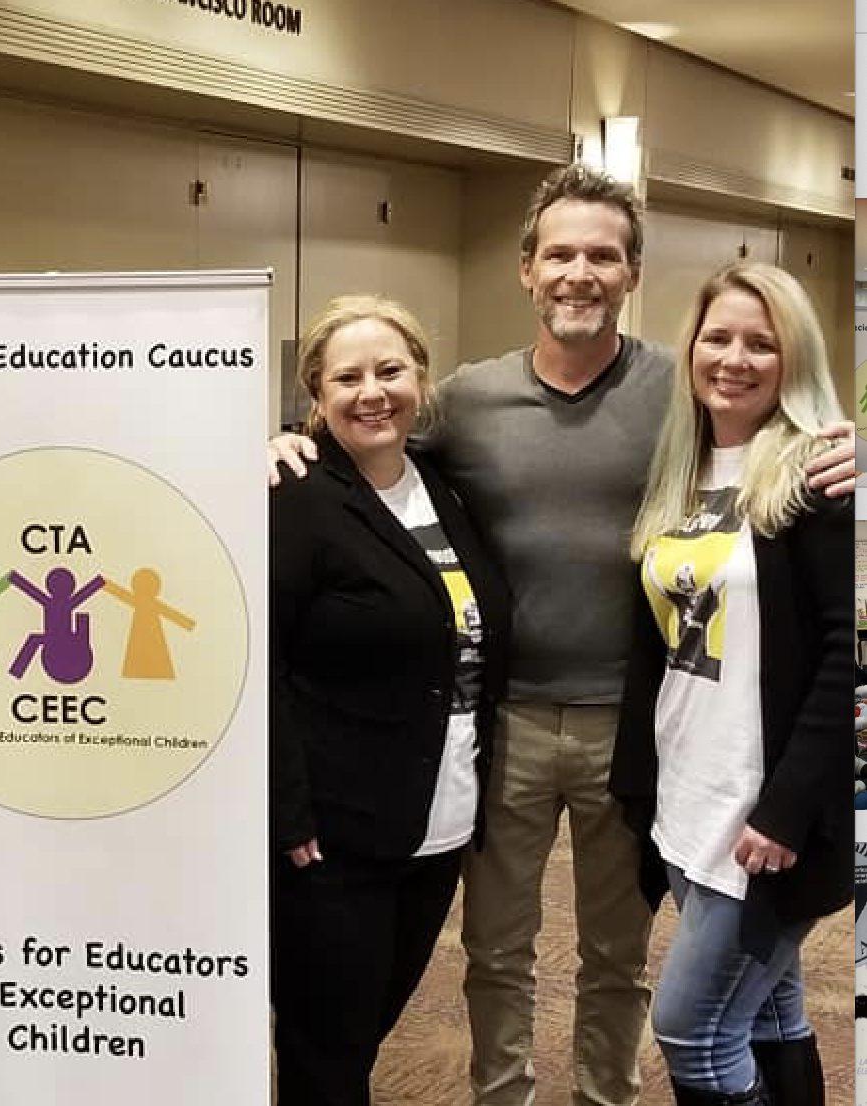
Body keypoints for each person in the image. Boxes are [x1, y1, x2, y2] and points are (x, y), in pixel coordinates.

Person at [268, 163, 856, 1105]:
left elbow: (784, 419)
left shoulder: (684, 391)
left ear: (630, 274)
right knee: (496, 950)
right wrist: (279, 438)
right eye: (561, 254)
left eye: (603, 255)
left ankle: (605, 1098)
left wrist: (850, 440)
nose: (580, 272)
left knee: (616, 957)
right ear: (526, 270)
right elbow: (363, 433)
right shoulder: (465, 400)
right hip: (503, 726)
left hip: (639, 727)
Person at [609, 262, 850, 1105]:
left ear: (795, 359)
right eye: (718, 338)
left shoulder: (819, 474)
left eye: (761, 343)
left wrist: (786, 809)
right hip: (688, 788)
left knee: (692, 1032)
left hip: (763, 812)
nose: (735, 359)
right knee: (771, 1012)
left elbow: (835, 661)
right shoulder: (681, 468)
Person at [269, 296, 509, 1106]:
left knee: (362, 1031)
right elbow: (256, 661)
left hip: (436, 822)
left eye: (390, 371)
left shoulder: (443, 489)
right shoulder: (293, 499)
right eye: (347, 377)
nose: (371, 392)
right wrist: (288, 812)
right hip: (332, 837)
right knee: (324, 1048)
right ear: (316, 394)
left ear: (421, 381)